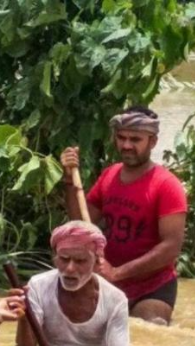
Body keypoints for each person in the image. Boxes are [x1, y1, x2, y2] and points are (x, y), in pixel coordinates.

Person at [60, 106, 187, 326]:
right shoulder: (109, 175)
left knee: (150, 329)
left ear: (153, 142)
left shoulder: (167, 185)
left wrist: (118, 272)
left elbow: (171, 247)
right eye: (121, 138)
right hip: (108, 283)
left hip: (152, 286)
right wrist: (70, 180)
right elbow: (81, 222)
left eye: (135, 139)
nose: (126, 145)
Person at [13, 221, 130, 346]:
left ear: (97, 263)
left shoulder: (116, 300)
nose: (69, 269)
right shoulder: (37, 286)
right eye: (64, 259)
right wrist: (24, 319)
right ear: (55, 258)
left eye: (80, 261)